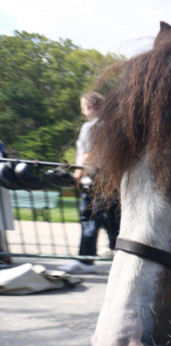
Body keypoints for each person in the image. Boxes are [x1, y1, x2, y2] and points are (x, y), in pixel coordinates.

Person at [63, 92, 120, 274]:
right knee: (112, 218)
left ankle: (85, 260)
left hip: (93, 180)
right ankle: (119, 255)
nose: (83, 112)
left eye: (83, 108)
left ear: (90, 108)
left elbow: (87, 155)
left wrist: (77, 175)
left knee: (88, 218)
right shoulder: (113, 127)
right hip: (111, 181)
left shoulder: (90, 127)